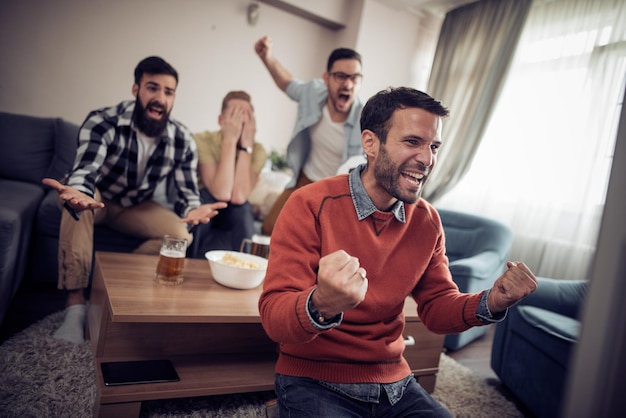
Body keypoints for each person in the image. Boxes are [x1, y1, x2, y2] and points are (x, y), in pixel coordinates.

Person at [258, 87, 538, 417]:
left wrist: (492, 301)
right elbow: (274, 317)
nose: (427, 158)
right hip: (313, 378)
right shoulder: (309, 204)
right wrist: (321, 303)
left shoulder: (428, 221)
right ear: (370, 143)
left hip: (394, 382)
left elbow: (436, 307)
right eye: (412, 142)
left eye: (434, 146)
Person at [42, 56, 227, 344]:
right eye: (152, 88)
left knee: (180, 234)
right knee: (75, 205)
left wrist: (193, 209)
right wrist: (79, 192)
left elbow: (185, 190)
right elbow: (86, 170)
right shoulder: (104, 121)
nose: (160, 98)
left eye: (168, 92)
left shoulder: (182, 139)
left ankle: (107, 285)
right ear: (135, 89)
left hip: (135, 205)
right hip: (97, 197)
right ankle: (75, 306)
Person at [254, 36, 365, 236]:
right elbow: (287, 83)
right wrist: (266, 56)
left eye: (354, 78)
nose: (348, 85)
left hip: (339, 194)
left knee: (319, 242)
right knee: (270, 228)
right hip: (305, 180)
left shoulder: (366, 119)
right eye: (340, 76)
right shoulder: (313, 93)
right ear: (326, 78)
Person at [189, 91, 267, 256]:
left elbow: (238, 196)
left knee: (244, 208)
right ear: (220, 120)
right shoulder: (203, 140)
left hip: (234, 211)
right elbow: (221, 192)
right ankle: (189, 263)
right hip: (207, 199)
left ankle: (245, 267)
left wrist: (246, 146)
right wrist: (230, 141)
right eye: (234, 115)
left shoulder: (258, 151)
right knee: (204, 203)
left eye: (245, 116)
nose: (240, 121)